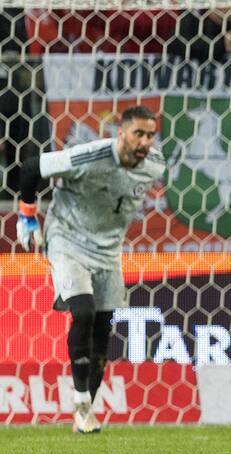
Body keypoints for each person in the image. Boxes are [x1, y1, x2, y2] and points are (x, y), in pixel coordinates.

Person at [15, 105, 165, 433]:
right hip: (67, 238)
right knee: (82, 312)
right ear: (121, 132)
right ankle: (81, 400)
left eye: (150, 135)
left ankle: (85, 413)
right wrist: (27, 216)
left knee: (102, 328)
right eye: (138, 133)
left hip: (108, 252)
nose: (145, 142)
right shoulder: (89, 156)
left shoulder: (154, 165)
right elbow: (30, 168)